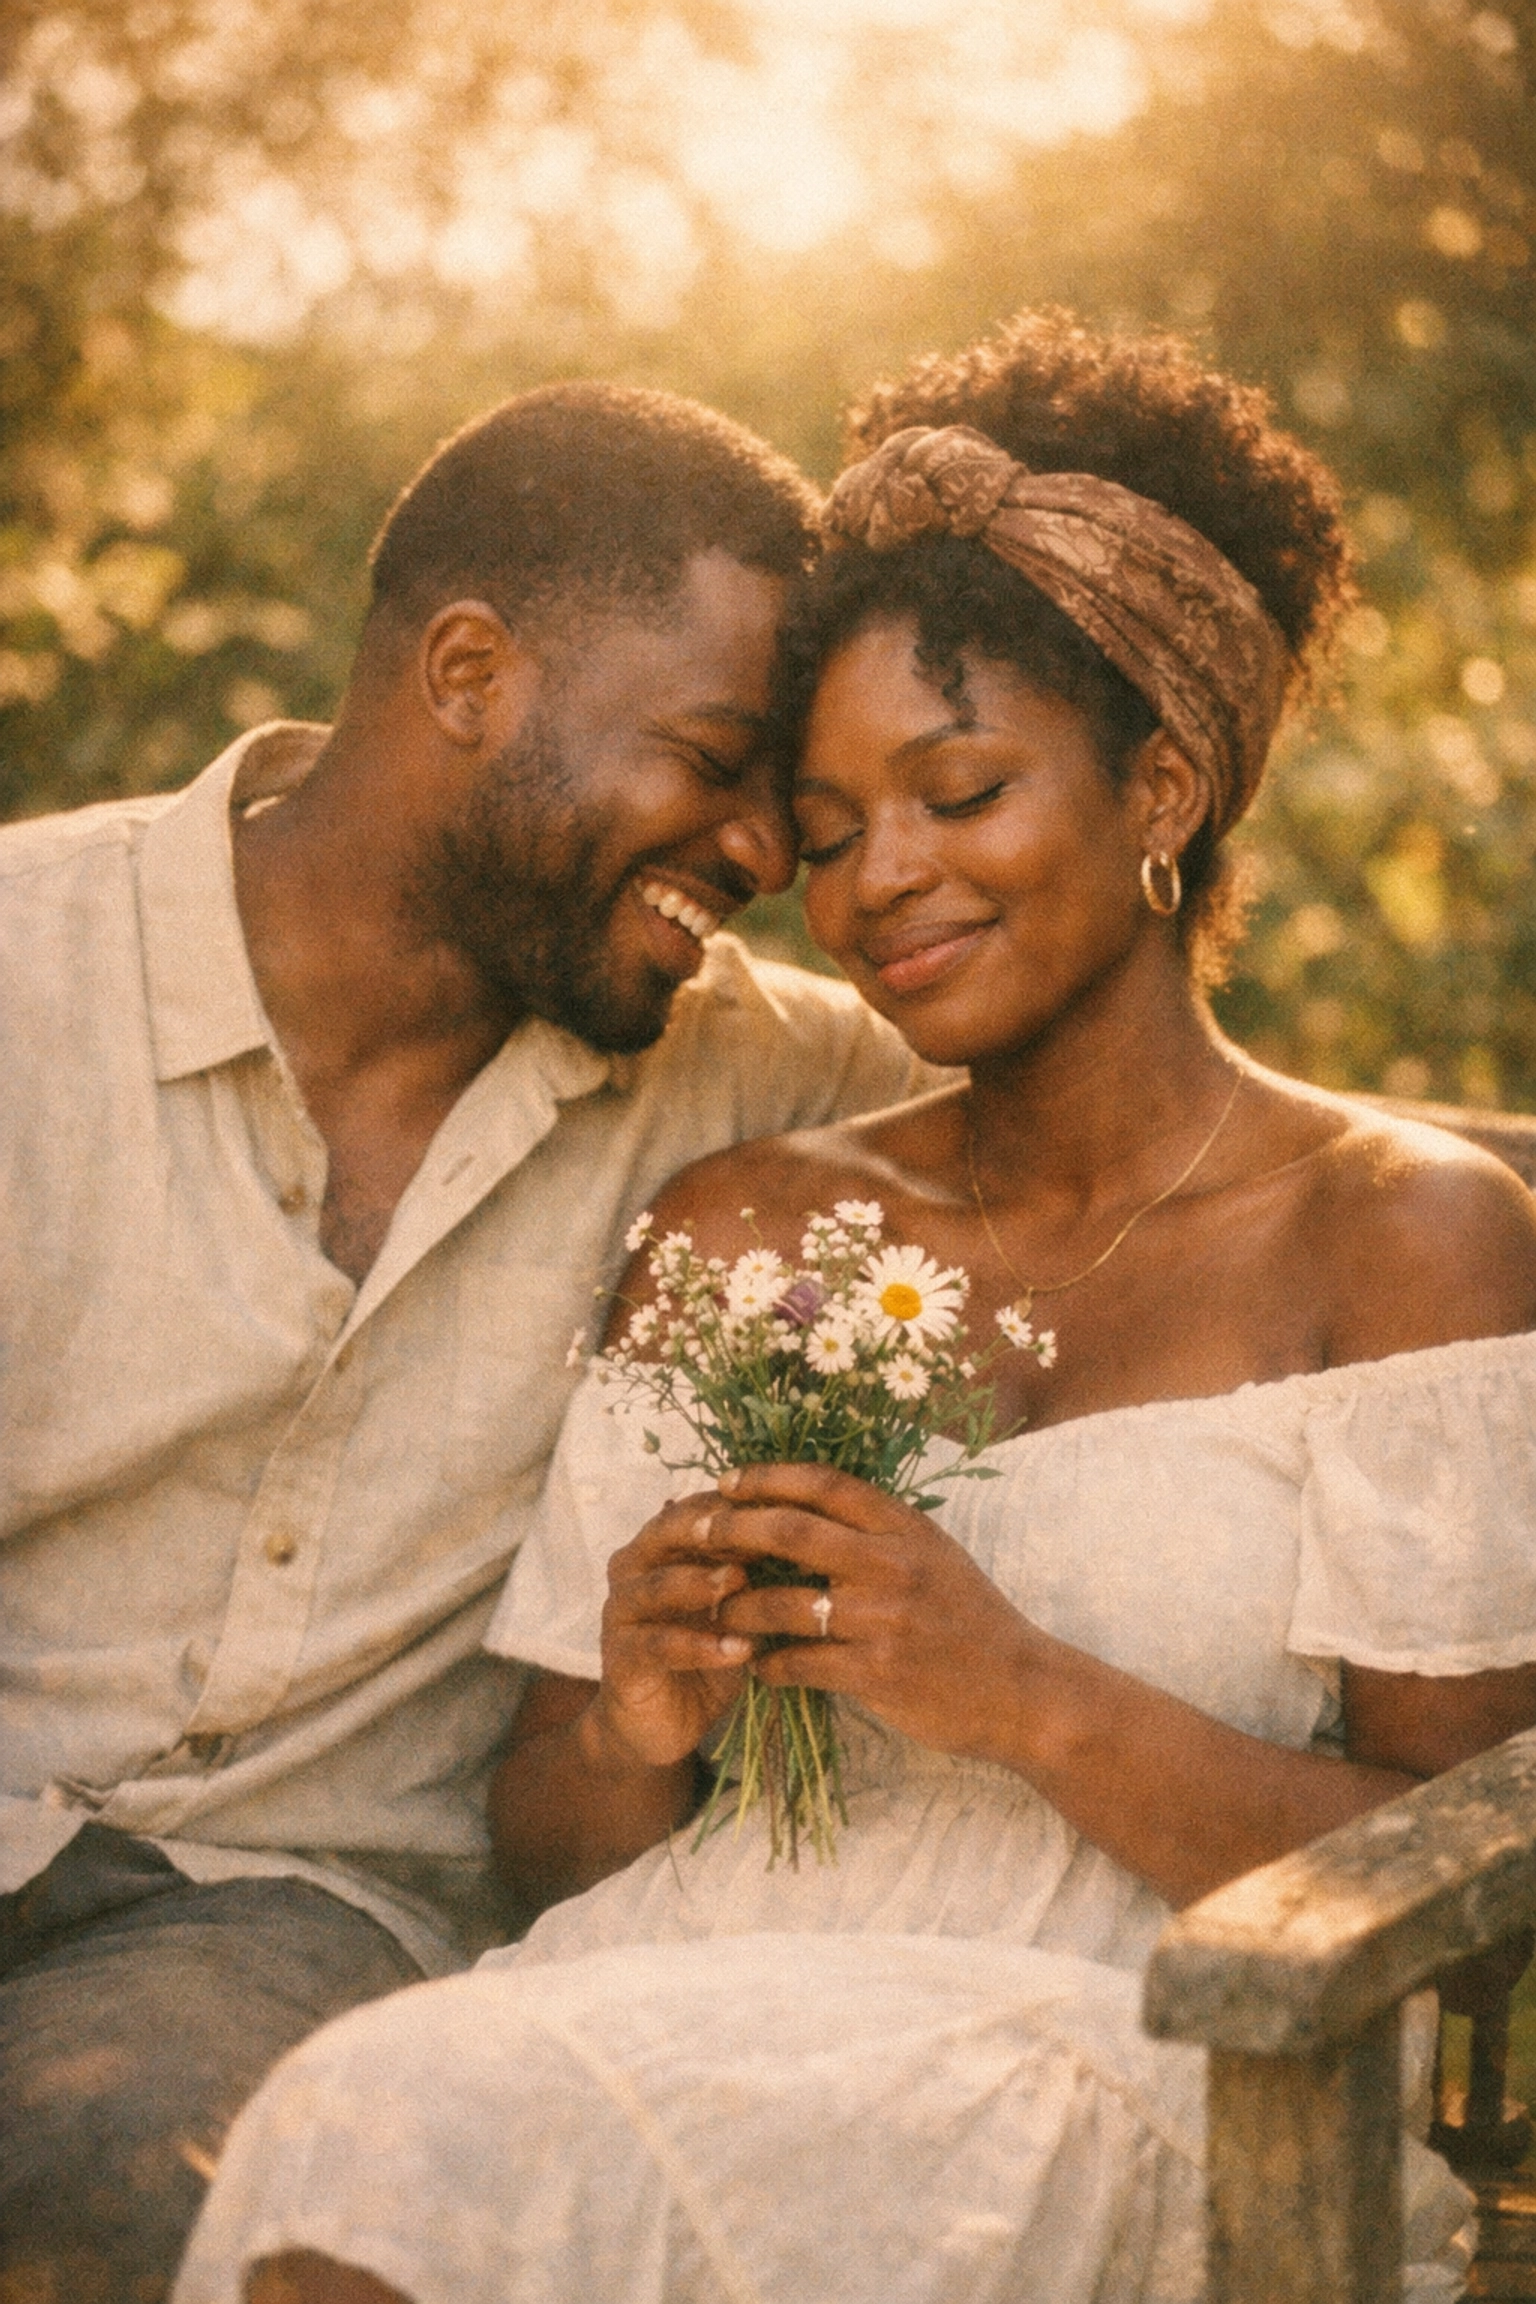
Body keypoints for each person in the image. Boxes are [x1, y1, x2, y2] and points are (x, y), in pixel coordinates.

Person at [174, 315, 1536, 2304]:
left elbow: (1472, 1899)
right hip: (667, 1992)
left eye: (959, 791)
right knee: (366, 2117)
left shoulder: (1402, 1237)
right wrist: (639, 1711)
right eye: (823, 834)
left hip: (1154, 2057)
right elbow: (556, 1839)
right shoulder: (750, 1223)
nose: (879, 880)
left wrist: (1019, 1694)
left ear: (1163, 787)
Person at [0, 382, 931, 2304]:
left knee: (105, 2187)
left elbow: (1154, 1123)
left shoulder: (762, 1071)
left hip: (294, 1922)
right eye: (713, 759)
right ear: (467, 672)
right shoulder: (29, 972)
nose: (770, 844)